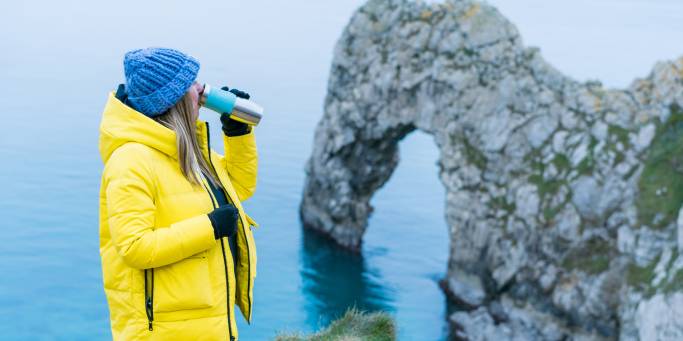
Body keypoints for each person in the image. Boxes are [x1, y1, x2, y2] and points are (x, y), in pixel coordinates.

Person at [97, 47, 259, 340]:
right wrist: (209, 228)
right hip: (163, 330)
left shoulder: (186, 150)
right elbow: (135, 247)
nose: (201, 89)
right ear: (174, 98)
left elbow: (239, 189)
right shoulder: (131, 160)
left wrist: (238, 135)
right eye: (192, 84)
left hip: (207, 322)